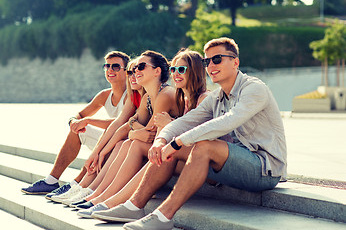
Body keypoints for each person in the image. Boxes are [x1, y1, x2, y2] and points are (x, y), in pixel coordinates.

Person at [93, 37, 287, 230]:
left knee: (203, 146)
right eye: (207, 61)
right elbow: (186, 121)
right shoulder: (218, 97)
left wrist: (177, 142)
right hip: (231, 163)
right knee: (172, 150)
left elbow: (227, 122)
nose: (210, 65)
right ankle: (133, 205)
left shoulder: (254, 89)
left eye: (217, 59)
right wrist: (161, 141)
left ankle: (163, 216)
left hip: (264, 169)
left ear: (235, 62)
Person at [75, 49, 208, 218]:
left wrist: (166, 125)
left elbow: (154, 134)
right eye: (173, 69)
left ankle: (110, 201)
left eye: (181, 69)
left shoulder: (173, 95)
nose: (176, 73)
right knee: (129, 144)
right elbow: (126, 126)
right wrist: (101, 152)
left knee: (140, 146)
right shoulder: (181, 99)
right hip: (179, 153)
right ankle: (99, 197)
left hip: (199, 161)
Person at [52, 50, 179, 206]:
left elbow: (149, 134)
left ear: (157, 71)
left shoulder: (164, 94)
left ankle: (99, 195)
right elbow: (125, 124)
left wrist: (133, 133)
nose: (135, 72)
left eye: (140, 67)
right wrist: (99, 152)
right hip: (152, 147)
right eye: (132, 70)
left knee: (128, 144)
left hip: (171, 152)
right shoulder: (146, 97)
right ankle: (91, 191)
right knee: (120, 144)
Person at [21, 51, 130, 195]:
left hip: (124, 146)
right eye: (107, 66)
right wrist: (74, 121)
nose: (110, 70)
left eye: (116, 67)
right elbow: (80, 115)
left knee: (106, 132)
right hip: (109, 143)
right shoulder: (104, 95)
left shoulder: (132, 94)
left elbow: (122, 123)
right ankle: (51, 181)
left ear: (127, 71)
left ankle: (76, 183)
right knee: (77, 130)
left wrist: (88, 120)